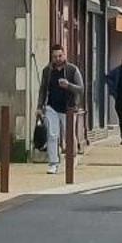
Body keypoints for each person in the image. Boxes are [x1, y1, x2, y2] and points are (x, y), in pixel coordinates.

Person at [37, 45, 81, 175]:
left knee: (69, 136)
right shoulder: (47, 70)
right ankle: (53, 163)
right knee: (52, 134)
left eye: (60, 56)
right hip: (51, 107)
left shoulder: (72, 70)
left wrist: (69, 85)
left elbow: (81, 88)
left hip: (69, 107)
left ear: (64, 55)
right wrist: (39, 107)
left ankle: (72, 159)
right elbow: (43, 90)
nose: (57, 59)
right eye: (55, 56)